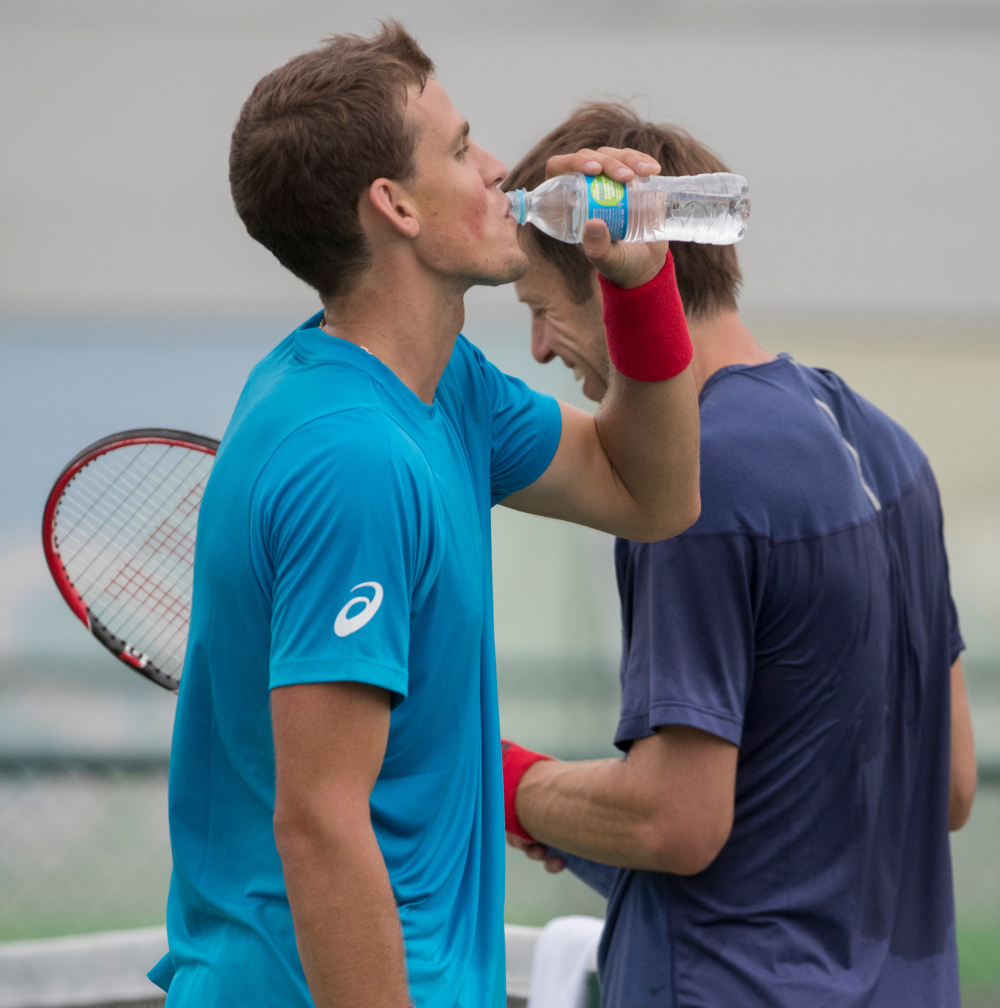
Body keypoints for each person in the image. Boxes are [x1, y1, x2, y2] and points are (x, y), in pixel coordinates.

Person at [148, 26, 701, 1008]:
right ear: (392, 205)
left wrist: (640, 283)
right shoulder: (350, 458)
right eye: (459, 148)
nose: (497, 171)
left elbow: (650, 495)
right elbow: (319, 824)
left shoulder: (445, 389)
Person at [500, 102, 978, 1008]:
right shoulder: (891, 449)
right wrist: (574, 820)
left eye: (539, 309)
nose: (535, 348)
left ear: (611, 270)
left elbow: (674, 820)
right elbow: (946, 788)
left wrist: (504, 781)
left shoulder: (692, 479)